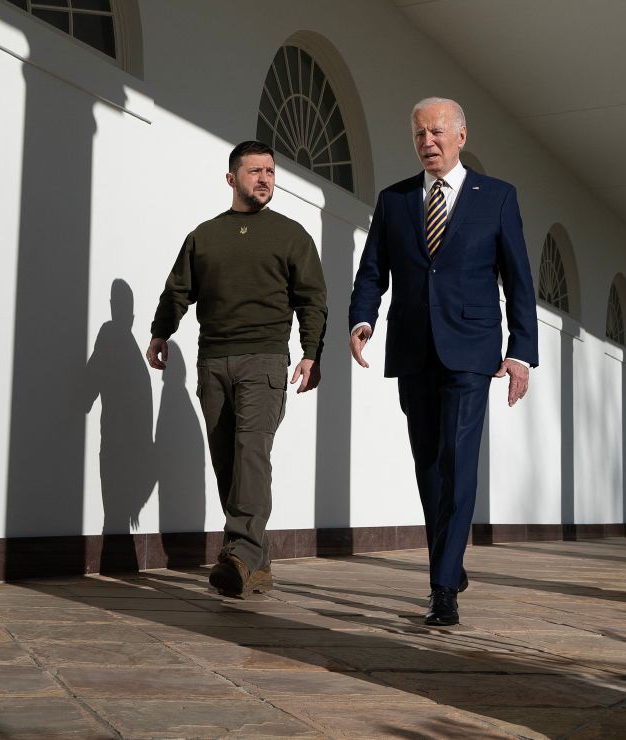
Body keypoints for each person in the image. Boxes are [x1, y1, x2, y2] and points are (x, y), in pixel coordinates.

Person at [348, 98, 538, 626]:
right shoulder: (395, 200)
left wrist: (521, 351)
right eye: (418, 135)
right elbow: (372, 271)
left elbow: (519, 279)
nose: (427, 142)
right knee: (428, 466)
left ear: (460, 135)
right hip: (412, 349)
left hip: (472, 351)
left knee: (458, 460)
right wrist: (362, 319)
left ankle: (442, 588)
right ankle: (450, 560)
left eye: (436, 132)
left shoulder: (496, 198)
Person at [147, 140, 327, 598]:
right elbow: (178, 290)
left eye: (270, 171)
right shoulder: (204, 236)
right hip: (213, 361)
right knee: (227, 460)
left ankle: (240, 555)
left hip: (265, 359)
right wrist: (160, 332)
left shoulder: (291, 235)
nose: (265, 178)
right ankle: (256, 564)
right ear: (232, 179)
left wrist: (310, 352)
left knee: (251, 454)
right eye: (254, 171)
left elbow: (312, 299)